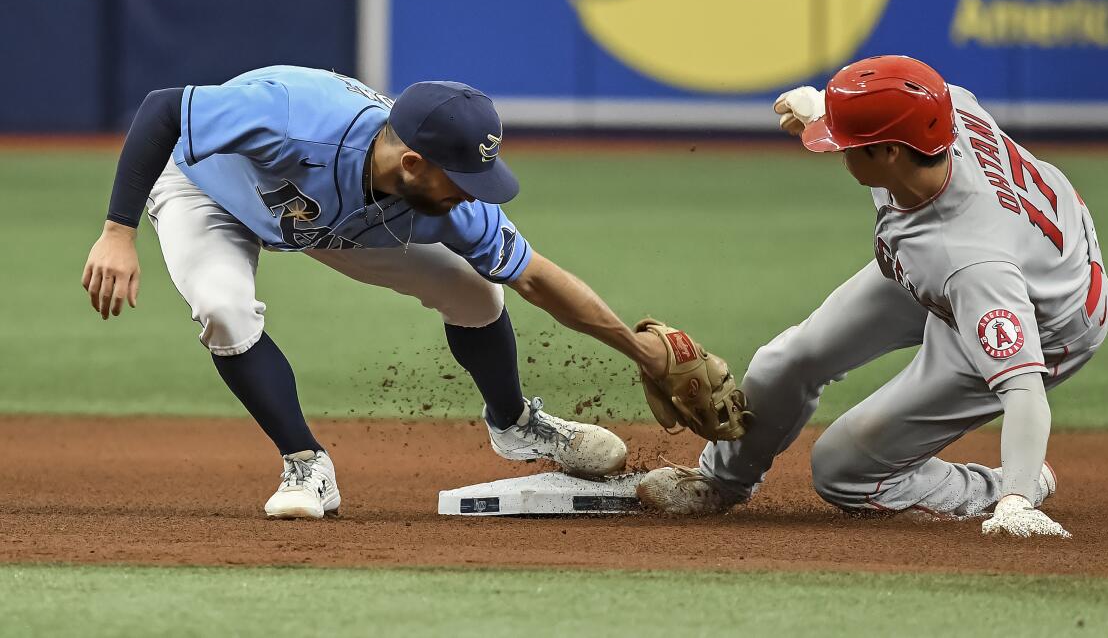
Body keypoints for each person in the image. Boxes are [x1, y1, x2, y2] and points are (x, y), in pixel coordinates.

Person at [82, 66, 671, 519]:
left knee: (476, 292)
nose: (471, 196)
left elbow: (537, 277)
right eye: (463, 182)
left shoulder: (445, 201)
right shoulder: (294, 117)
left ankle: (514, 423)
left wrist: (640, 351)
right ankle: (306, 463)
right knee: (222, 308)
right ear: (412, 162)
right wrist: (117, 231)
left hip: (318, 217)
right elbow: (163, 110)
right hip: (202, 185)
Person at [637, 55, 1108, 538]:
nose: (837, 151)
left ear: (889, 153)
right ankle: (721, 481)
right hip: (1000, 255)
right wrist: (826, 107)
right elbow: (895, 106)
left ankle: (995, 490)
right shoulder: (935, 120)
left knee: (844, 470)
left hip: (1047, 317)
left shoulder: (970, 263)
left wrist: (1016, 498)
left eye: (847, 144)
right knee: (784, 360)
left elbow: (1023, 391)